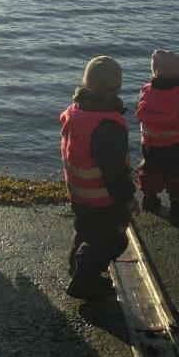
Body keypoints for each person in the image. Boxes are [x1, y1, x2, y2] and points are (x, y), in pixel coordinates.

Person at [60, 56, 139, 301]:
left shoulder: (74, 111)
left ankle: (78, 268)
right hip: (102, 198)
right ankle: (84, 279)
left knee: (85, 230)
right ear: (116, 88)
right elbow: (114, 171)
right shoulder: (109, 126)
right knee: (113, 240)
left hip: (78, 192)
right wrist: (128, 198)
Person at [135, 49, 179, 216]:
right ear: (177, 70)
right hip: (177, 142)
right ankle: (176, 200)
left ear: (155, 69)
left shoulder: (146, 90)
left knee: (150, 168)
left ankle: (149, 197)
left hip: (150, 141)